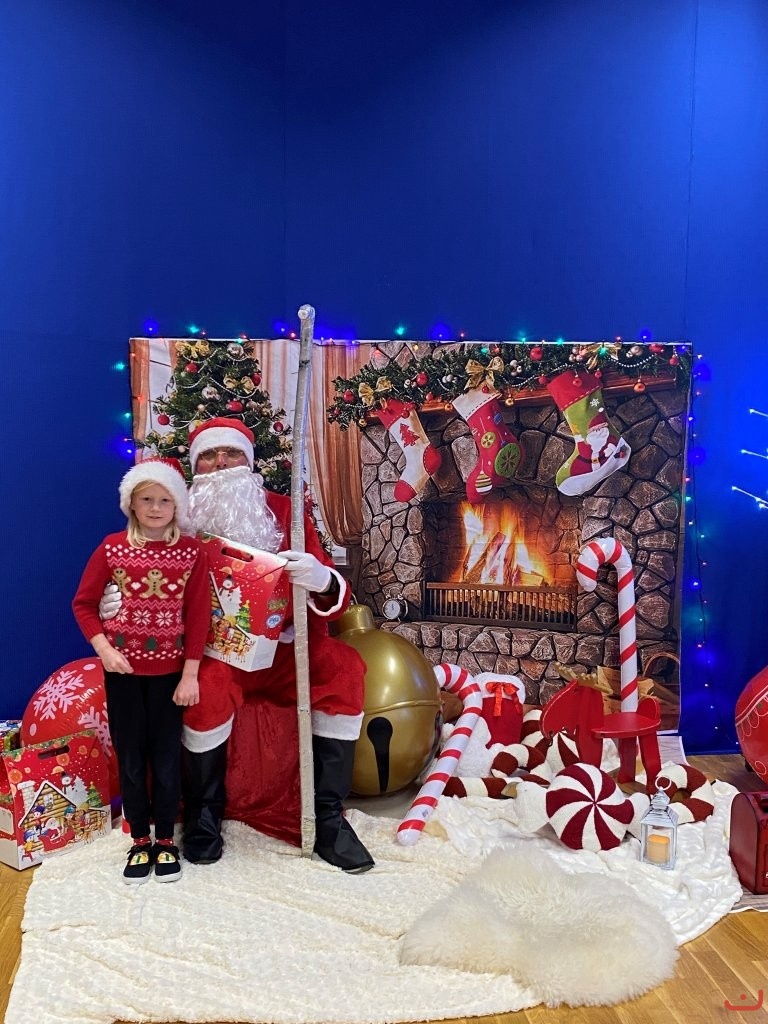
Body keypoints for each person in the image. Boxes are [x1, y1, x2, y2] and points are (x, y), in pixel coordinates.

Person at [103, 418, 374, 874]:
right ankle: (204, 815)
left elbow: (336, 597)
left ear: (249, 462)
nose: (221, 462)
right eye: (209, 455)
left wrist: (321, 578)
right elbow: (138, 574)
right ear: (195, 467)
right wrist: (115, 602)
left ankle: (327, 818)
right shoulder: (174, 518)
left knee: (342, 668)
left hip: (285, 650)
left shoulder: (286, 512)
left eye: (231, 453)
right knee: (205, 692)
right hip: (213, 654)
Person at [74, 457, 210, 884]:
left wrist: (190, 674)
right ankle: (138, 840)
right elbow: (84, 604)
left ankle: (165, 838)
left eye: (164, 500)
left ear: (177, 505)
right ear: (131, 503)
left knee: (167, 759)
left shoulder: (191, 552)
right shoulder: (111, 548)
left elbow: (199, 615)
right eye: (146, 499)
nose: (155, 508)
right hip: (124, 674)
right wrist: (104, 650)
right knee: (131, 758)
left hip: (171, 678)